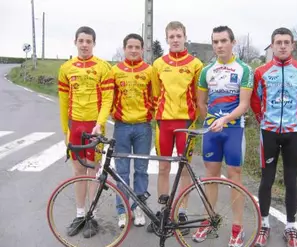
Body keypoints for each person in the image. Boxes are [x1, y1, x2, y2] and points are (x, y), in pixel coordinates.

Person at [250, 27, 297, 247]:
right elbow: (255, 100)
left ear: (293, 45)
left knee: (291, 181)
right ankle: (265, 223)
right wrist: (263, 119)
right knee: (266, 180)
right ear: (272, 45)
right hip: (268, 132)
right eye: (279, 42)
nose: (283, 46)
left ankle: (290, 227)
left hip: (293, 133)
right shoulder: (261, 71)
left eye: (287, 42)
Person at [193, 25, 253, 247]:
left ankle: (237, 227)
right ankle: (209, 219)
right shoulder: (206, 70)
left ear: (232, 42)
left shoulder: (244, 69)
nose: (219, 45)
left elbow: (244, 105)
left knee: (234, 176)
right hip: (212, 131)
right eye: (216, 41)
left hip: (234, 129)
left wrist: (225, 120)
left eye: (224, 41)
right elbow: (201, 102)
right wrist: (209, 122)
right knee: (211, 176)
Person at [147, 21, 203, 234]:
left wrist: (193, 118)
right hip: (164, 123)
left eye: (179, 35)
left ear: (185, 36)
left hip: (186, 123)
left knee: (184, 167)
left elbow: (199, 96)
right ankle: (163, 211)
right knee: (163, 167)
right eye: (171, 36)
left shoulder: (196, 64)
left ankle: (183, 211)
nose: (175, 39)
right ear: (167, 38)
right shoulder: (159, 64)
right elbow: (155, 93)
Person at [58, 26, 114, 238]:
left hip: (94, 126)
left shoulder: (103, 67)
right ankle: (80, 214)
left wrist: (100, 122)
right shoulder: (66, 68)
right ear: (75, 42)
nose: (84, 45)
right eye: (81, 41)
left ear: (93, 43)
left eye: (88, 41)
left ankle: (93, 215)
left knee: (93, 171)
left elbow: (108, 98)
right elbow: (63, 102)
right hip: (75, 126)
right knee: (77, 172)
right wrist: (66, 131)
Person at [111, 33, 153, 228]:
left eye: (137, 47)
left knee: (141, 170)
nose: (134, 50)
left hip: (143, 127)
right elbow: (109, 97)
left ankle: (139, 207)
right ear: (124, 48)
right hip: (122, 127)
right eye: (130, 46)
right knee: (121, 171)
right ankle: (122, 210)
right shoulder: (115, 70)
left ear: (142, 49)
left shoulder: (150, 70)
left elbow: (156, 96)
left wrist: (149, 115)